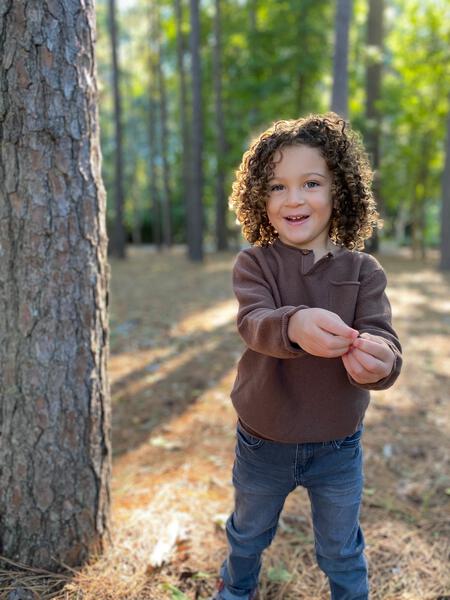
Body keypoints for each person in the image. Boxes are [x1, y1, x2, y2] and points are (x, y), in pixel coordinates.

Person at [210, 113, 402, 600]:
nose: (293, 199)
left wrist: (381, 362)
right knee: (249, 533)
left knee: (340, 547)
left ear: (339, 191)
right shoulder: (255, 263)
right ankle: (236, 589)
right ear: (260, 199)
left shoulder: (364, 271)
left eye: (310, 183)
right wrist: (293, 324)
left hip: (338, 446)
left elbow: (383, 337)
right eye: (277, 186)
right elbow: (253, 322)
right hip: (262, 440)